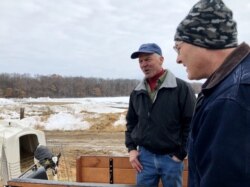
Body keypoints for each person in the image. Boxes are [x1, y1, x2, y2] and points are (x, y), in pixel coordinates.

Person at [174, 0, 250, 186]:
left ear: (202, 39)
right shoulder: (230, 84)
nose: (178, 59)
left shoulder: (231, 97)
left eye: (178, 47)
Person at [125, 43, 196, 187]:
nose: (144, 64)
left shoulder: (181, 88)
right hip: (144, 159)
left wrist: (180, 154)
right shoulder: (137, 92)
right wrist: (132, 149)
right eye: (141, 61)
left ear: (161, 60)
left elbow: (192, 124)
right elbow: (131, 123)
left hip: (171, 159)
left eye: (148, 59)